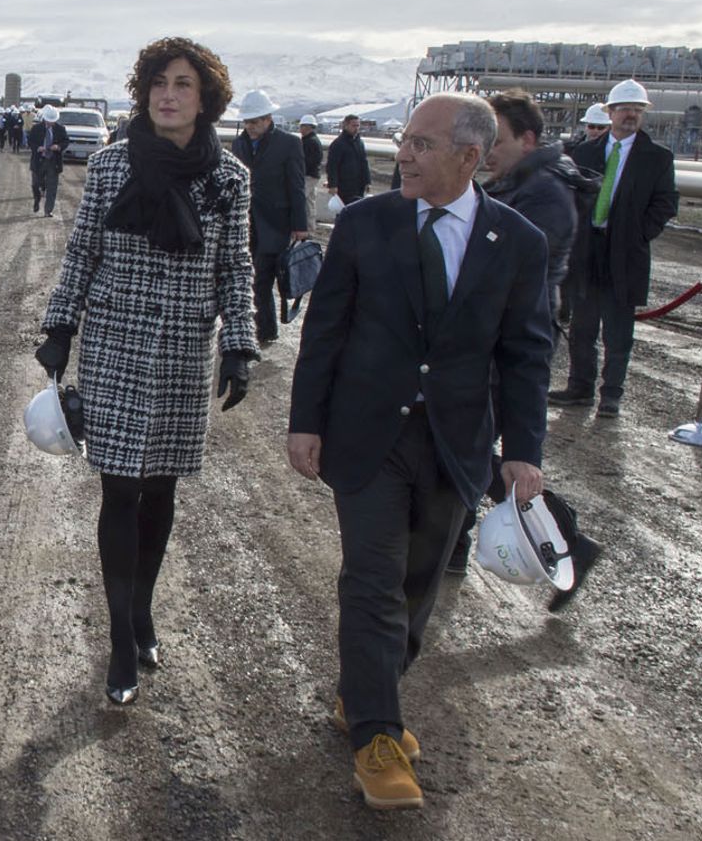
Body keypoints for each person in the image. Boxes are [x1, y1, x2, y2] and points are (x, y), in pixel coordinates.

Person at [287, 92, 552, 810]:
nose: (402, 153)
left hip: (456, 445)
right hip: (367, 437)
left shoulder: (519, 242)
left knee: (417, 589)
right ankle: (377, 738)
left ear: (471, 156)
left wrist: (523, 450)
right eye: (403, 139)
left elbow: (527, 354)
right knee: (372, 582)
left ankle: (366, 690)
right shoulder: (366, 224)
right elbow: (326, 330)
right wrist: (305, 420)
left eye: (421, 144)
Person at [36, 36, 256, 707]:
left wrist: (241, 342)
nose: (168, 94)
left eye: (183, 84)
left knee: (161, 493)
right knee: (120, 492)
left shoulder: (229, 178)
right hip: (116, 346)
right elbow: (82, 254)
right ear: (144, 92)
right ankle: (121, 639)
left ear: (205, 98)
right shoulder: (109, 167)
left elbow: (235, 265)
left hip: (186, 352)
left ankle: (143, 610)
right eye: (159, 82)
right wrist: (59, 325)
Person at [444, 89, 593, 574]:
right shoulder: (519, 182)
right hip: (488, 331)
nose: (488, 153)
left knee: (470, 440)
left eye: (498, 141)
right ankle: (454, 546)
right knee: (468, 440)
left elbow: (503, 270)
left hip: (507, 334)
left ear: (528, 139)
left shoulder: (543, 194)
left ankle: (563, 536)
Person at [550, 79, 679, 418]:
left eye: (637, 111)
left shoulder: (657, 158)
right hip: (587, 250)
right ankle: (580, 388)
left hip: (625, 253)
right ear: (611, 112)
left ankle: (611, 396)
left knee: (619, 331)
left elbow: (666, 202)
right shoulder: (586, 152)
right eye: (625, 109)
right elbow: (572, 194)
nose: (631, 116)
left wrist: (639, 234)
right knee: (582, 327)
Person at [230, 90, 309, 344]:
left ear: (268, 119)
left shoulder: (288, 144)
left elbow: (296, 186)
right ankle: (263, 328)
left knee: (262, 278)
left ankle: (264, 330)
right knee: (252, 278)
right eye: (247, 122)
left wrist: (300, 225)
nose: (250, 127)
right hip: (246, 224)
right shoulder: (239, 144)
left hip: (276, 223)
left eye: (254, 122)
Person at [559, 102, 611, 320]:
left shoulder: (613, 153)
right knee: (569, 268)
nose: (596, 131)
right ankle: (564, 310)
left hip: (602, 224)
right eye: (592, 126)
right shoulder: (572, 151)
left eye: (601, 127)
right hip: (576, 218)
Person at [29, 104, 69, 216]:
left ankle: (48, 210)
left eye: (53, 121)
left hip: (53, 161)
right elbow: (30, 142)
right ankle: (37, 200)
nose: (51, 123)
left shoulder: (60, 129)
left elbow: (66, 141)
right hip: (39, 161)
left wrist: (59, 147)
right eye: (49, 121)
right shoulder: (36, 128)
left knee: (52, 187)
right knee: (35, 184)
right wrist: (37, 148)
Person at [326, 114, 372, 205]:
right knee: (343, 211)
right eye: (353, 125)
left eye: (358, 125)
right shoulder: (338, 144)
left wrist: (367, 181)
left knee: (357, 209)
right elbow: (332, 166)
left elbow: (364, 163)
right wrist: (333, 185)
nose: (356, 128)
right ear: (346, 126)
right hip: (344, 186)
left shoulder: (359, 143)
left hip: (358, 185)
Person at [299, 114, 323, 223]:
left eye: (302, 126)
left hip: (309, 175)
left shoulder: (310, 142)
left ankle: (305, 227)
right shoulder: (311, 140)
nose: (300, 129)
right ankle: (310, 227)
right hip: (312, 175)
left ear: (307, 127)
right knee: (309, 202)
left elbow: (310, 161)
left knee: (300, 198)